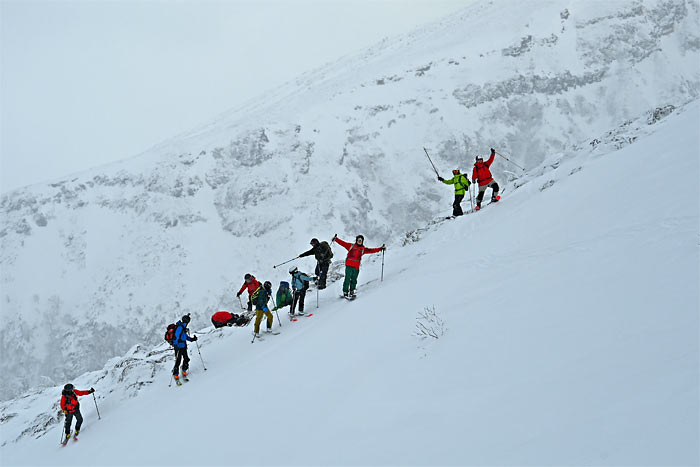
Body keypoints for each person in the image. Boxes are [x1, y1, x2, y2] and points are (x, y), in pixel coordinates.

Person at [172, 314, 197, 385]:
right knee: (178, 360)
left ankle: (183, 370)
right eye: (188, 322)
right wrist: (176, 345)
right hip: (178, 347)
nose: (188, 323)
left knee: (186, 359)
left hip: (183, 346)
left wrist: (192, 339)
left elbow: (185, 337)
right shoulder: (180, 327)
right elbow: (176, 336)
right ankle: (176, 374)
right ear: (187, 321)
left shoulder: (183, 327)